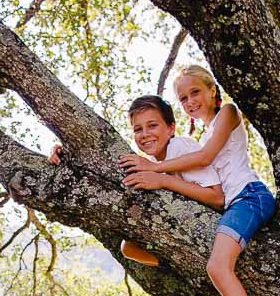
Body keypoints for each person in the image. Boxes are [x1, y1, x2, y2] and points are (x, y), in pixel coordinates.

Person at [119, 65, 277, 296]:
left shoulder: (227, 114)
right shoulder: (198, 137)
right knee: (128, 246)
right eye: (183, 97)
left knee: (219, 268)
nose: (190, 101)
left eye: (195, 92)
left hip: (248, 196)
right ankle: (172, 259)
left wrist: (156, 173)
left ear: (212, 89)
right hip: (233, 204)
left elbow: (210, 172)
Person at [49, 94, 224, 266]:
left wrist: (164, 181)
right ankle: (175, 265)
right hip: (185, 239)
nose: (145, 134)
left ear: (171, 128)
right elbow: (104, 167)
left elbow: (218, 199)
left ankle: (180, 264)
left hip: (217, 230)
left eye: (152, 125)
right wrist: (67, 156)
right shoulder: (152, 163)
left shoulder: (180, 147)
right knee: (128, 247)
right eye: (138, 129)